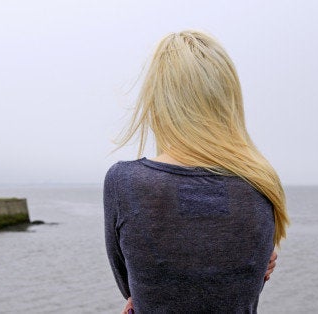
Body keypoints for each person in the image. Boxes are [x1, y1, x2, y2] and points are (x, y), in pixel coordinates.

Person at [104, 30, 289, 313]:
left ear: (159, 99)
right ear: (228, 99)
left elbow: (133, 286)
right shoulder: (262, 184)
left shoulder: (126, 183)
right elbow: (237, 292)